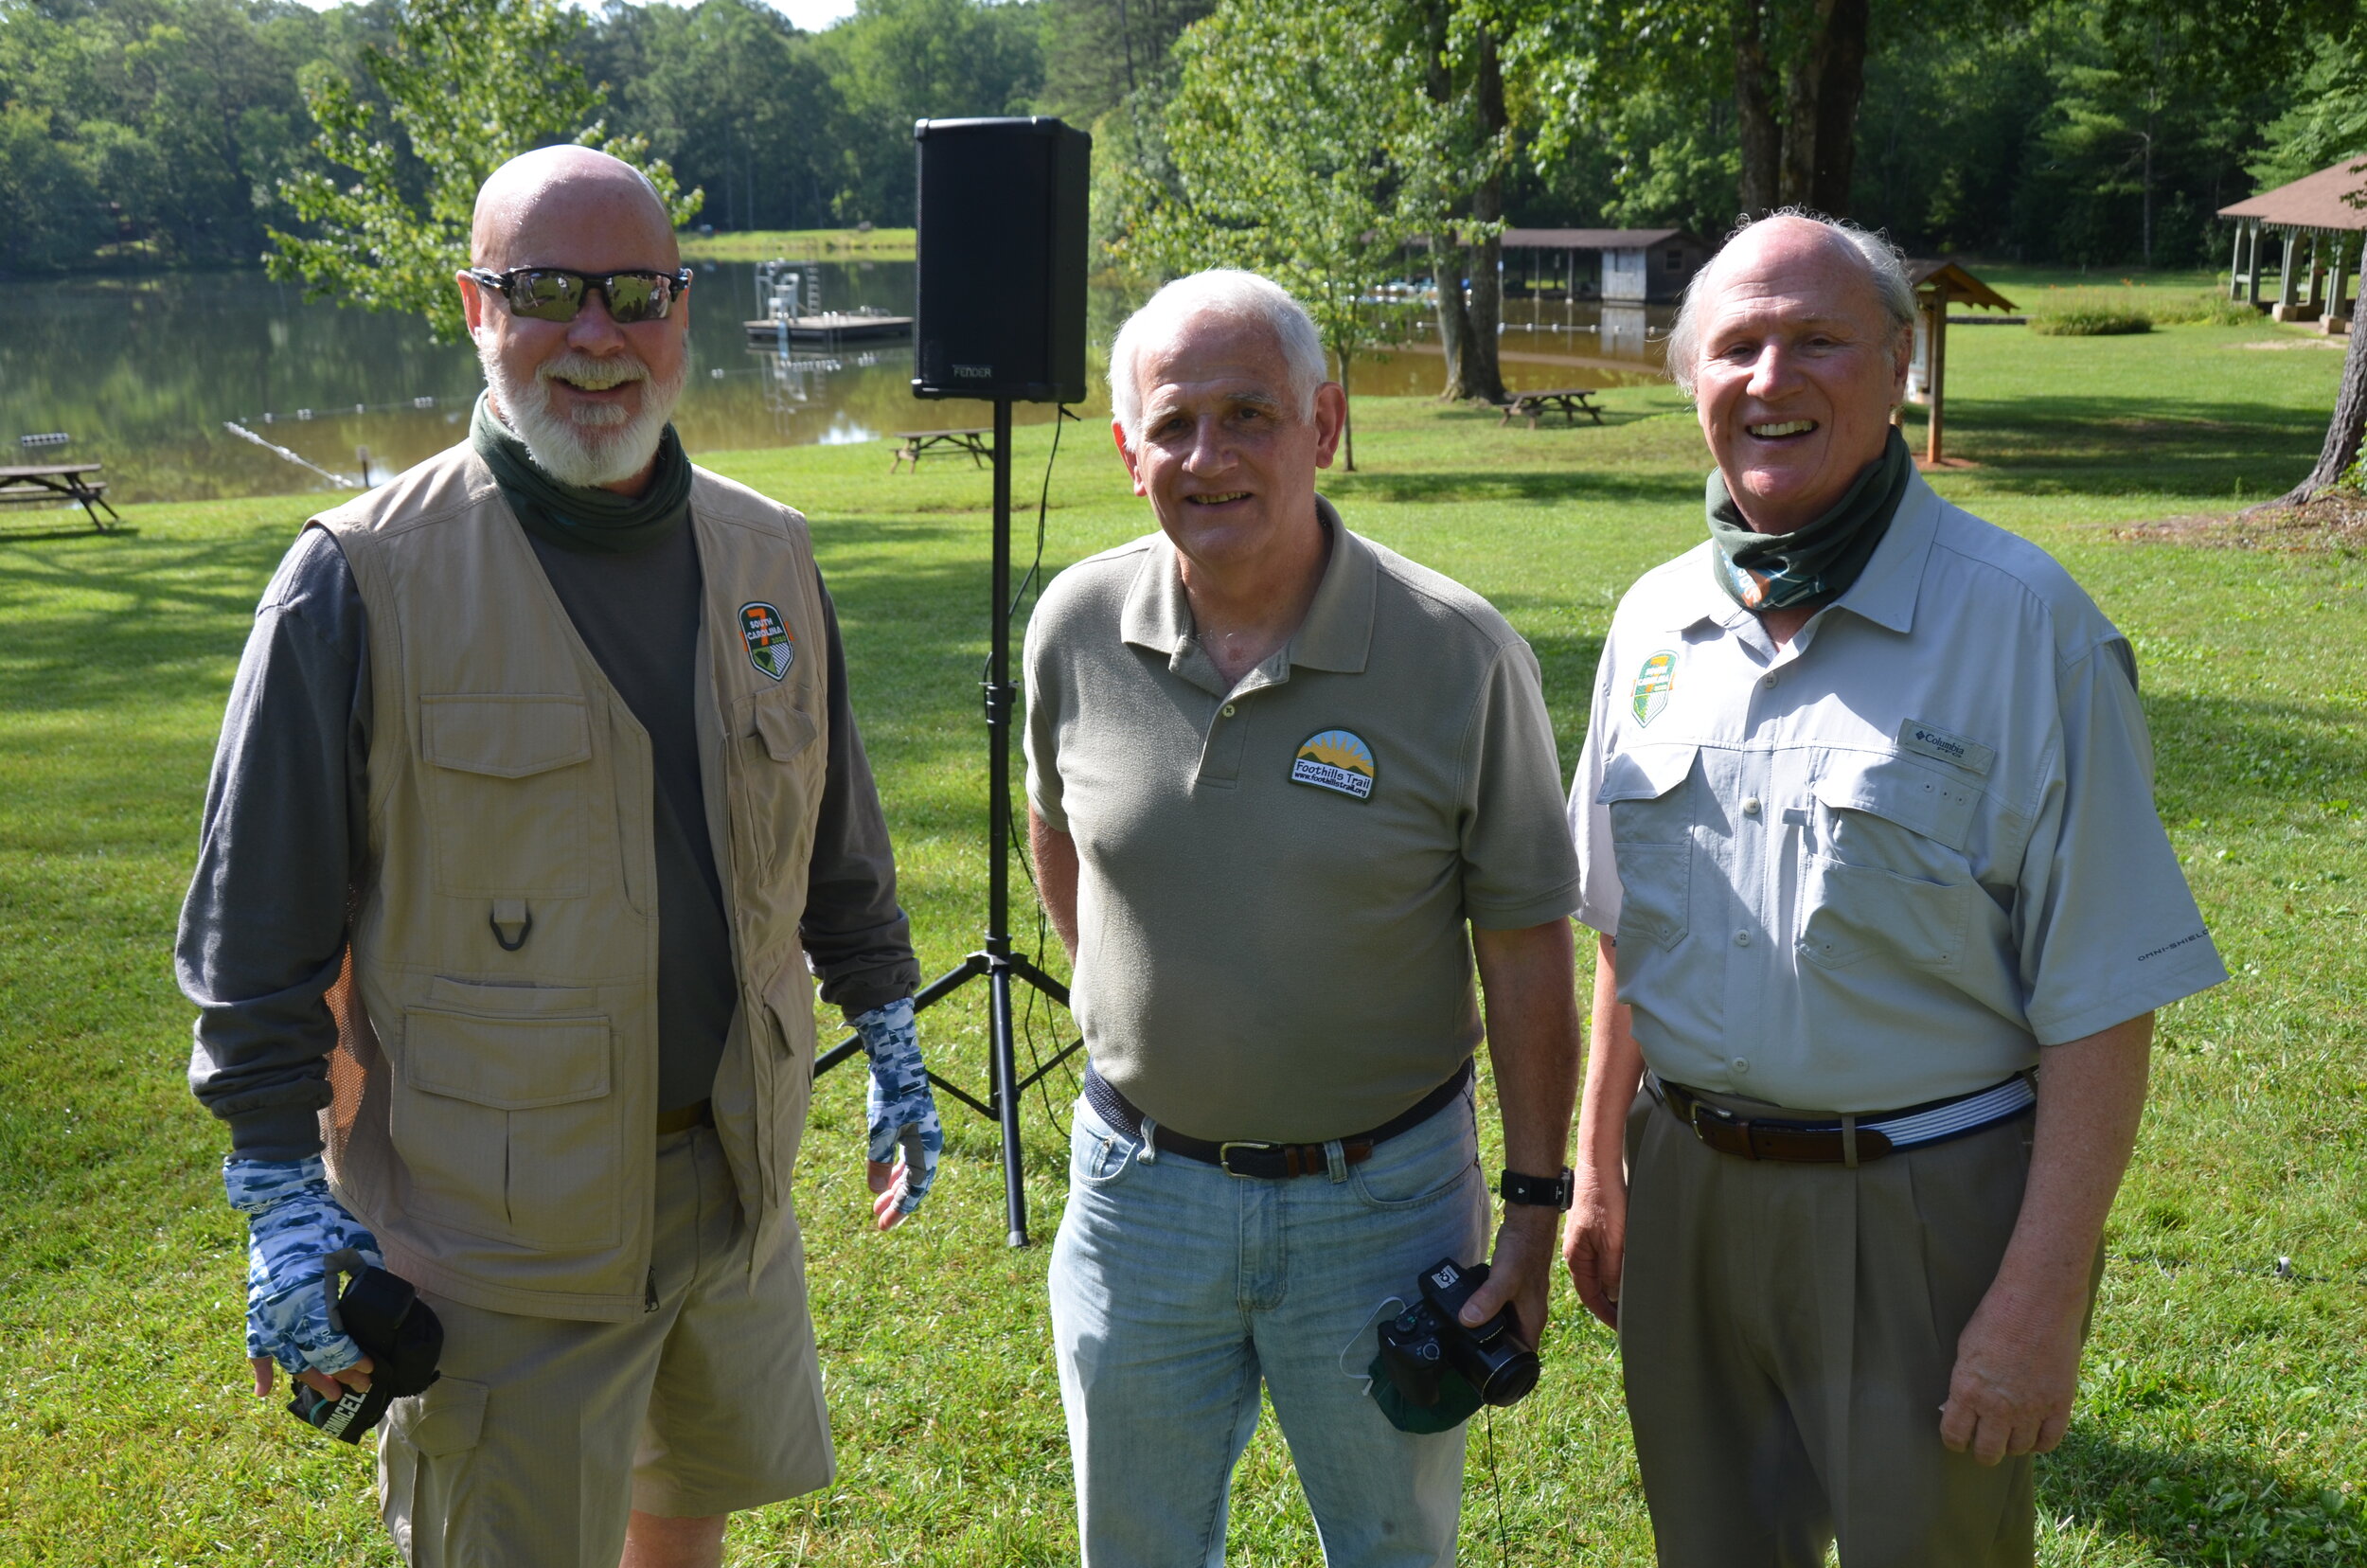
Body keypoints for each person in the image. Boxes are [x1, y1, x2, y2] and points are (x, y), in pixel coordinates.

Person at [177, 146, 943, 1568]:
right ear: (476, 305)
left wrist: (888, 1033)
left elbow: (834, 841)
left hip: (730, 1203)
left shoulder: (770, 553)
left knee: (682, 1526)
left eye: (633, 292)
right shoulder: (355, 579)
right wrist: (279, 1209)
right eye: (546, 292)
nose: (597, 336)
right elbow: (253, 937)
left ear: (682, 309)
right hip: (494, 1246)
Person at [1560, 212, 2228, 1566]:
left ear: (1899, 365)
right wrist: (1596, 1173)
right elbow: (1629, 928)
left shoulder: (2027, 627)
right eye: (1736, 346)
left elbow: (2102, 995)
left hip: (1926, 1207)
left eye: (1817, 341)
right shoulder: (1650, 625)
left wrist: (2039, 1296)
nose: (1770, 379)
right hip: (1687, 1190)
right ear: (1690, 379)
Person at [1023, 268, 1584, 1568]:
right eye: (1172, 424)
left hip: (1383, 1207)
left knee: (1393, 1549)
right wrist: (1138, 1008)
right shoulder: (1076, 626)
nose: (1207, 457)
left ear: (1326, 424)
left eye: (1249, 415)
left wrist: (1537, 1206)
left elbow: (1525, 941)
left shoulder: (1458, 652)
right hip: (1138, 1203)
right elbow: (1060, 834)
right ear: (1126, 449)